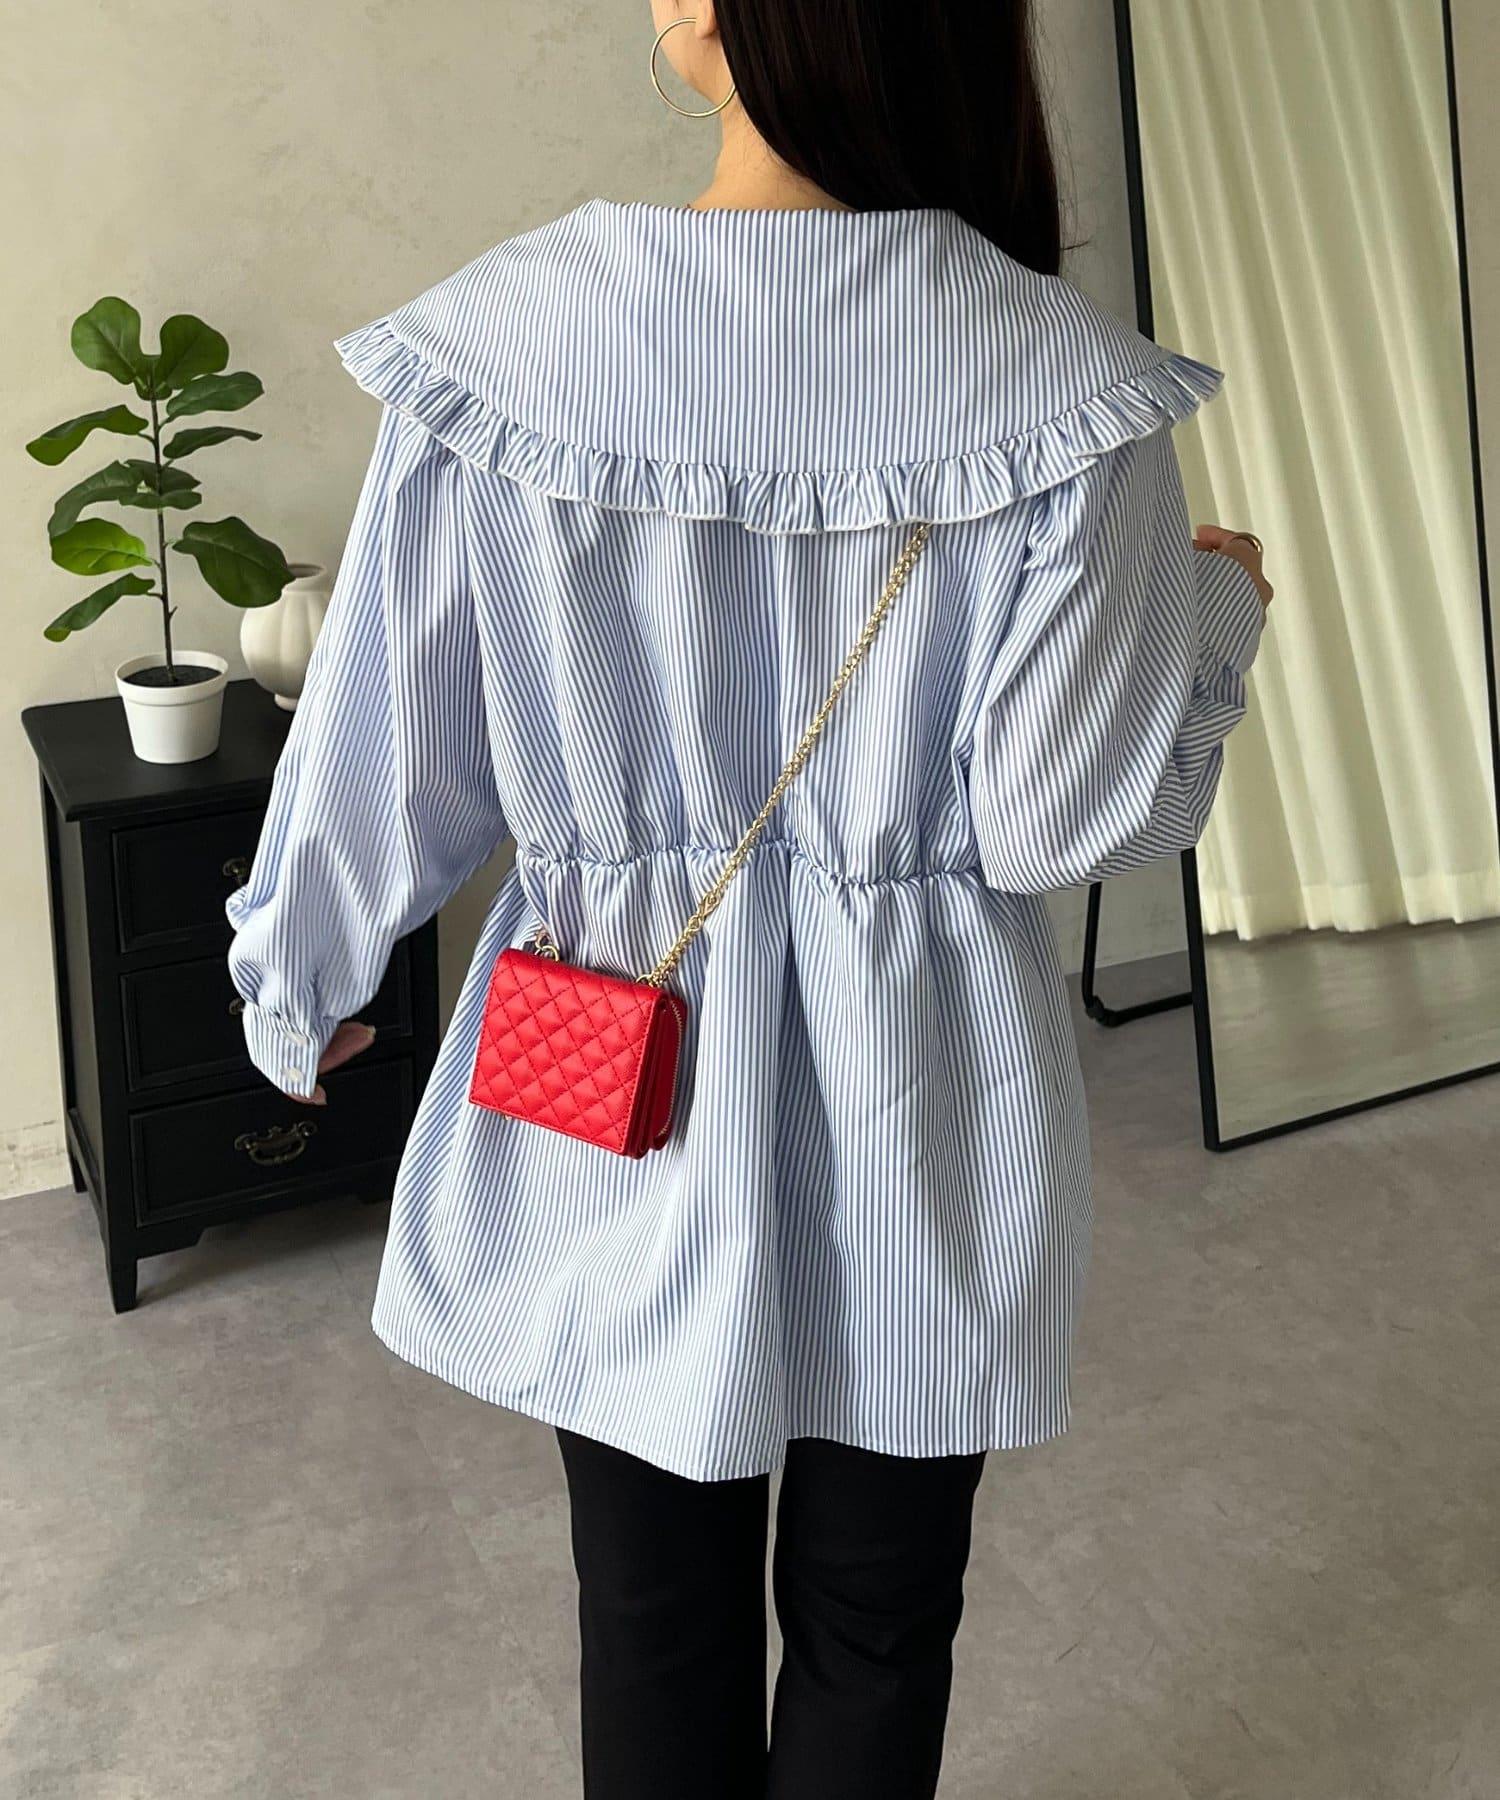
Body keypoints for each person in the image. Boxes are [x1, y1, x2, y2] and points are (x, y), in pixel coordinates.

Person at [225, 2, 1274, 1794]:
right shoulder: (1068, 384)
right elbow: (1050, 824)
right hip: (927, 1097)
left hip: (611, 1064)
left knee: (648, 1610)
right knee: (880, 1617)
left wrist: (299, 974)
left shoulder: (504, 348)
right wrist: (1210, 616)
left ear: (708, 17)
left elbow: (392, 738)